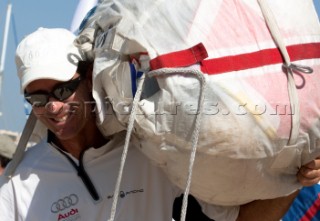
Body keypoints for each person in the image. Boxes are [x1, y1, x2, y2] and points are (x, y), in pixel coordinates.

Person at [0, 27, 319, 221]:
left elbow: (239, 219)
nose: (52, 107)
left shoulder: (150, 149)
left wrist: (295, 178)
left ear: (88, 78)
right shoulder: (18, 184)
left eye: (62, 90)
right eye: (37, 99)